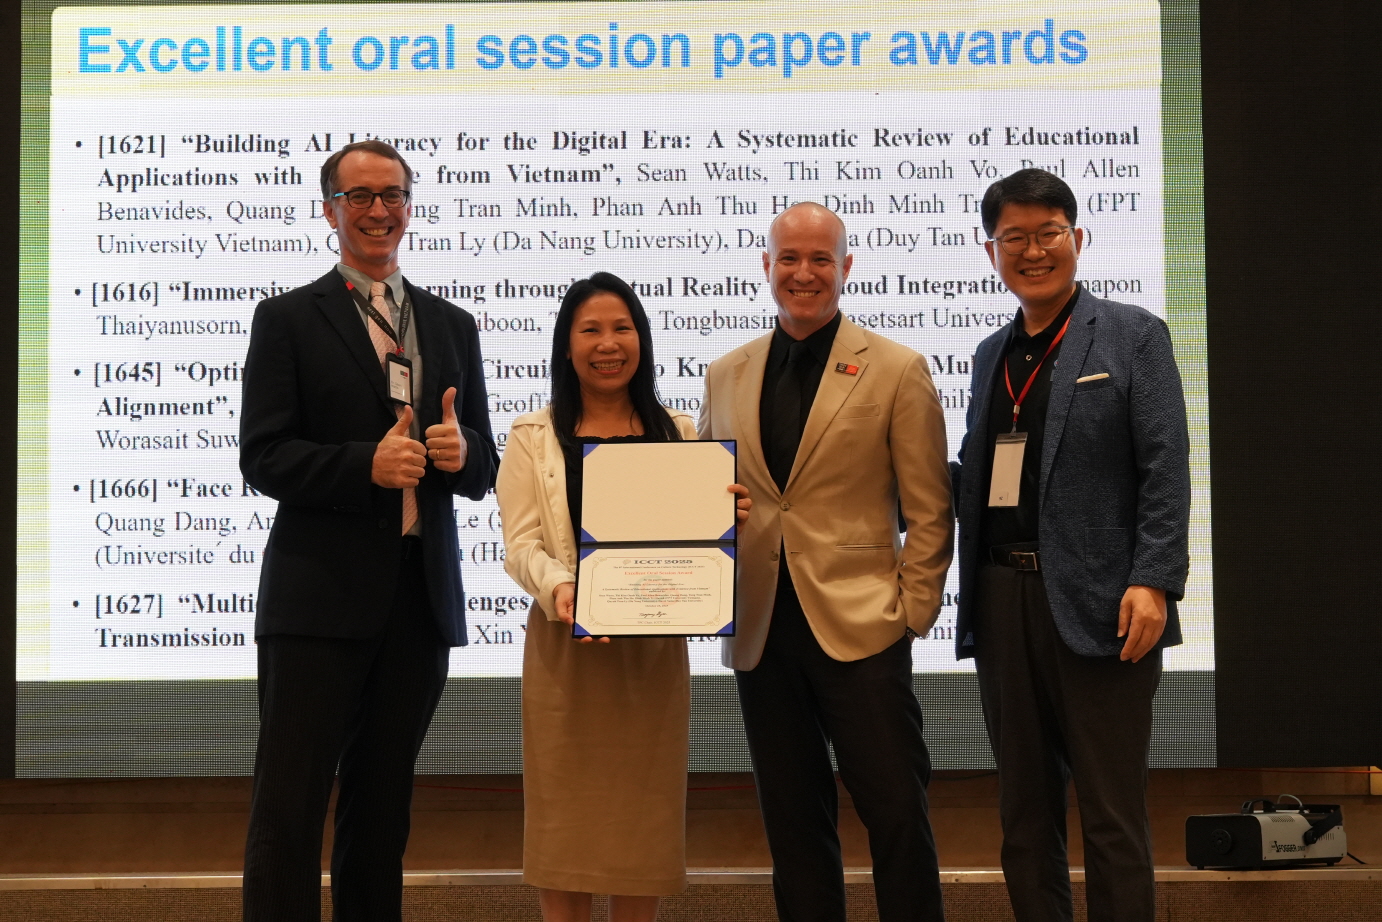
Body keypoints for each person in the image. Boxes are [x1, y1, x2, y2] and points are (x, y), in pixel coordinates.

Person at [238, 139, 498, 922]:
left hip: (418, 604)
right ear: (330, 210)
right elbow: (263, 455)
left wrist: (463, 453)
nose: (378, 210)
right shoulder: (287, 318)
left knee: (383, 810)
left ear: (409, 207)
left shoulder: (451, 324)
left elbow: (484, 464)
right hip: (316, 603)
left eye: (392, 195)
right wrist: (365, 465)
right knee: (290, 808)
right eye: (359, 196)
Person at [698, 203, 954, 922]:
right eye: (789, 258)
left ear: (846, 267)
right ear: (766, 266)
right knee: (793, 826)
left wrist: (913, 611)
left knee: (896, 813)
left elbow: (931, 508)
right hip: (760, 631)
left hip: (864, 627)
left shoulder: (898, 369)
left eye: (819, 259)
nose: (803, 273)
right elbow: (707, 498)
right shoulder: (725, 373)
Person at [951, 168, 1190, 922]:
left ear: (1077, 238)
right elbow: (976, 478)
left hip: (1106, 605)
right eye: (1013, 238)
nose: (1033, 251)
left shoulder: (1133, 334)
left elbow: (1166, 466)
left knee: (1112, 817)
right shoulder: (989, 354)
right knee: (1024, 817)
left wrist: (1155, 578)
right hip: (1002, 600)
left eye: (1048, 233)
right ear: (991, 251)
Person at [496, 272, 751, 922]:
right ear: (566, 345)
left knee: (644, 830)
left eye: (622, 328)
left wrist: (725, 524)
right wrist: (559, 586)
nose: (608, 344)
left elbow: (697, 545)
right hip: (565, 653)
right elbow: (521, 545)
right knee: (563, 829)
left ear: (642, 339)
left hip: (652, 658)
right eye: (591, 330)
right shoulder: (533, 435)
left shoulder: (679, 431)